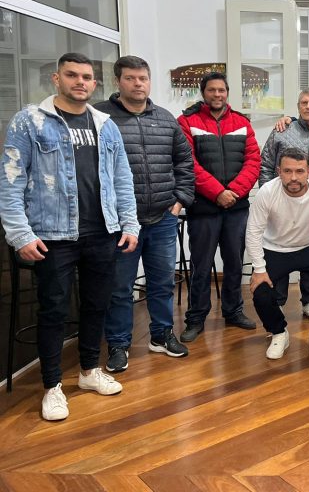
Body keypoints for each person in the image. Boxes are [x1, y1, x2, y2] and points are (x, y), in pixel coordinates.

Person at [0, 53, 140, 421]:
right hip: (52, 234)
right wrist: (20, 234)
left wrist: (130, 224)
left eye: (87, 77)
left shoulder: (105, 125)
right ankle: (52, 386)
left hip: (102, 231)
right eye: (72, 75)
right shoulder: (30, 121)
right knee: (54, 310)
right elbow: (11, 180)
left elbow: (121, 178)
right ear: (56, 78)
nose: (80, 82)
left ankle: (89, 371)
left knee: (96, 305)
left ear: (95, 83)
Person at [96, 56, 195, 372]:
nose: (138, 84)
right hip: (121, 224)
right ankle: (118, 344)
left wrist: (179, 201)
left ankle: (161, 335)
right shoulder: (100, 118)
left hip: (163, 218)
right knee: (120, 288)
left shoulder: (165, 119)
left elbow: (184, 162)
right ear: (118, 81)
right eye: (131, 78)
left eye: (143, 78)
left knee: (163, 283)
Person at [177, 72, 261, 342]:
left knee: (235, 263)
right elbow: (188, 163)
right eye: (211, 90)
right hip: (203, 208)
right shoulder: (187, 122)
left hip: (236, 207)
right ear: (203, 93)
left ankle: (233, 311)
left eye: (221, 90)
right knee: (201, 265)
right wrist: (217, 193)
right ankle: (196, 318)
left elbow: (253, 161)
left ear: (227, 92)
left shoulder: (242, 122)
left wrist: (233, 192)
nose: (217, 95)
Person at [246, 148, 309, 360]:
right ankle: (279, 332)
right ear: (278, 172)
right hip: (275, 248)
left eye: (299, 171)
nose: (293, 177)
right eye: (287, 171)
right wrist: (259, 269)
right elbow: (253, 231)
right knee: (260, 290)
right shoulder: (267, 192)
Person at [259, 88, 309, 320]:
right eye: (304, 102)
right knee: (280, 251)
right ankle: (278, 301)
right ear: (298, 106)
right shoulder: (282, 130)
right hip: (281, 205)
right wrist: (269, 198)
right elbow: (266, 165)